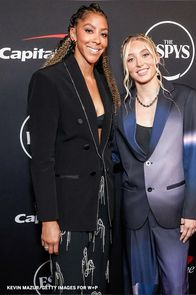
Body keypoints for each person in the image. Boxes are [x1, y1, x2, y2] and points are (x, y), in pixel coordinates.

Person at [28, 3, 120, 294]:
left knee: (97, 286)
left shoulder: (105, 82)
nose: (97, 39)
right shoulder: (49, 79)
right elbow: (42, 158)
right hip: (68, 208)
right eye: (89, 30)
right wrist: (49, 219)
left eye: (103, 34)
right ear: (72, 34)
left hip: (102, 205)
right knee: (71, 288)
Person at [114, 34, 196, 295]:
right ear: (126, 67)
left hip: (174, 213)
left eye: (144, 54)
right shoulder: (120, 107)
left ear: (157, 58)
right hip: (136, 213)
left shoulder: (185, 98)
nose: (139, 62)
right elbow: (115, 155)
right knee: (141, 289)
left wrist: (192, 210)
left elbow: (193, 156)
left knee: (176, 287)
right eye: (130, 58)